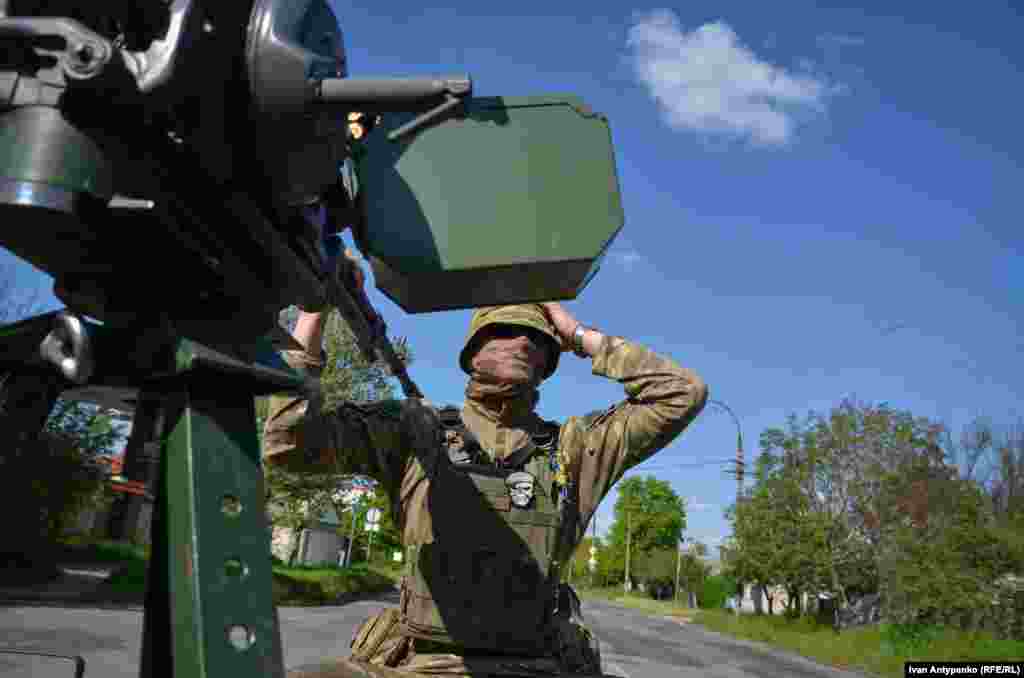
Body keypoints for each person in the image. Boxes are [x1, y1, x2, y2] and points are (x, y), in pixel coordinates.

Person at [263, 255, 708, 678]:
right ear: (472, 353)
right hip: (424, 664)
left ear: (549, 361)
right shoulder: (416, 431)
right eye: (505, 331)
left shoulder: (574, 450)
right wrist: (315, 309)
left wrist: (578, 335)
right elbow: (287, 442)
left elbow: (683, 392)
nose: (521, 342)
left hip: (538, 666)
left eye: (536, 338)